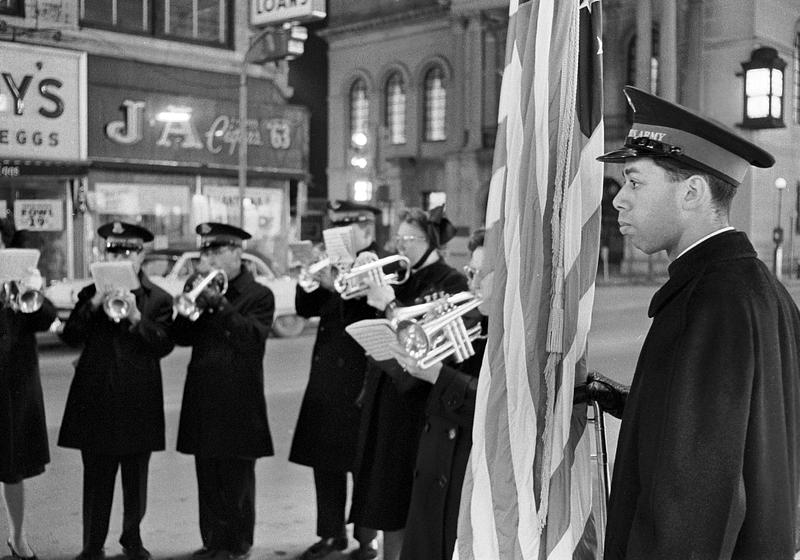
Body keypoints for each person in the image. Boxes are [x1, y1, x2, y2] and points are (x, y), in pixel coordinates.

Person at [594, 86, 800, 559]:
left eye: (635, 182)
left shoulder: (709, 303)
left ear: (691, 192)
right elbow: (739, 433)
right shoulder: (760, 290)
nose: (618, 200)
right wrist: (634, 402)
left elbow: (693, 501)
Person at [350, 206, 468, 560]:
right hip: (384, 399)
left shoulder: (448, 281)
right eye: (398, 238)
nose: (400, 246)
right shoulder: (402, 274)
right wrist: (360, 281)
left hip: (416, 408)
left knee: (403, 501)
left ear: (429, 241)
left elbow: (426, 344)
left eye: (409, 239)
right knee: (384, 495)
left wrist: (389, 305)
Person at [58, 221, 175, 560]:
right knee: (96, 478)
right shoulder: (88, 295)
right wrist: (94, 301)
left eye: (127, 251)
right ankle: (92, 544)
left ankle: (132, 539)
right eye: (113, 251)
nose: (120, 256)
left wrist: (138, 318)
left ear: (142, 255)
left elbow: (164, 345)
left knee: (135, 479)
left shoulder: (158, 299)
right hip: (96, 400)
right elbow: (70, 337)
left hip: (138, 400)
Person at [173, 223, 275, 560]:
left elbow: (251, 339)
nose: (210, 258)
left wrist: (220, 306)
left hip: (238, 400)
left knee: (237, 478)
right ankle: (213, 542)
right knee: (207, 474)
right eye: (206, 252)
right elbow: (181, 337)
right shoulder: (201, 289)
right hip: (204, 394)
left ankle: (237, 544)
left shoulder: (259, 295)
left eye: (217, 251)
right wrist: (189, 303)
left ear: (237, 253)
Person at [289, 201, 383, 560]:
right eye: (337, 228)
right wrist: (308, 277)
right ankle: (330, 533)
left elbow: (366, 311)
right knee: (325, 461)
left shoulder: (377, 264)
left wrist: (337, 286)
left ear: (366, 231)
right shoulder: (330, 264)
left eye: (349, 228)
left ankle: (366, 538)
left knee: (362, 464)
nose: (341, 235)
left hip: (361, 376)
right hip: (328, 377)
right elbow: (304, 309)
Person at [391, 228, 491, 560]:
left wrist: (438, 373)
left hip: (465, 479)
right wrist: (431, 339)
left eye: (478, 274)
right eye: (469, 272)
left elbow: (492, 407)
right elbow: (407, 384)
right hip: (434, 473)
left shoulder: (513, 334)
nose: (470, 284)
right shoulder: (471, 322)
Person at [0, 219, 57, 560]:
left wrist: (29, 289)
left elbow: (46, 317)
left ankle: (18, 537)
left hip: (12, 386)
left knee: (12, 466)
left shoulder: (19, 280)